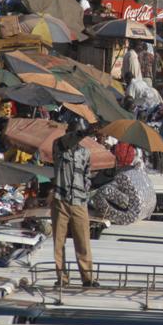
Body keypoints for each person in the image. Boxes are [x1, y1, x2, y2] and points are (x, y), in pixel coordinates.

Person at [51, 119, 97, 287]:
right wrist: (85, 132)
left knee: (83, 241)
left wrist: (85, 188)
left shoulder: (85, 152)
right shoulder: (59, 146)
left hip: (79, 201)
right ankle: (62, 279)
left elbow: (87, 174)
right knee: (59, 242)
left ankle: (88, 278)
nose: (75, 136)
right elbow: (69, 140)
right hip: (60, 200)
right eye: (73, 132)